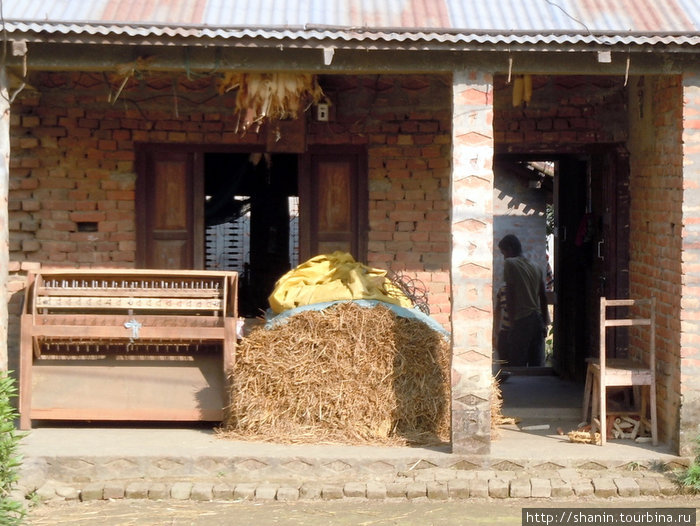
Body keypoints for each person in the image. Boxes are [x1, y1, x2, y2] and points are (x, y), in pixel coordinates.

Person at [497, 234, 550, 367]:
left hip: (521, 320)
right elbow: (543, 297)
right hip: (537, 321)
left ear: (510, 249)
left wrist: (512, 324)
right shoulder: (536, 267)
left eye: (503, 253)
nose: (504, 257)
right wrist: (545, 323)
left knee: (516, 365)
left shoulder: (510, 263)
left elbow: (510, 293)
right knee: (535, 366)